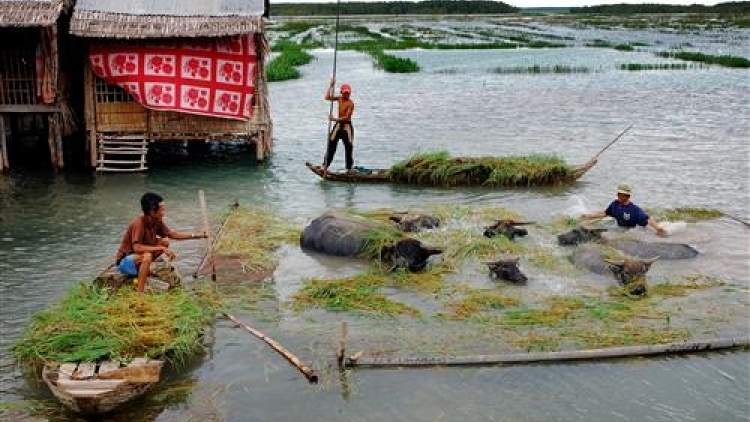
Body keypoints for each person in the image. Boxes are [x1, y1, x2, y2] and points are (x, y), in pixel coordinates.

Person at [115, 192, 207, 293]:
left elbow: (172, 234)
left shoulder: (157, 221)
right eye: (161, 209)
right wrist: (162, 249)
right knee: (148, 256)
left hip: (138, 256)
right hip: (125, 262)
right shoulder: (139, 223)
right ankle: (140, 294)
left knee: (164, 241)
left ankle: (143, 270)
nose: (164, 212)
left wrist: (198, 235)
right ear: (152, 211)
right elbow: (137, 248)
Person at [582, 183, 667, 237]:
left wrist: (657, 228)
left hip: (631, 231)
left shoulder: (634, 210)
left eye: (620, 194)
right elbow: (605, 213)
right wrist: (589, 216)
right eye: (618, 193)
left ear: (627, 196)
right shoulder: (615, 204)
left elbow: (648, 219)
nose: (617, 195)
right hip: (618, 228)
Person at [323, 77, 355, 173]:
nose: (346, 94)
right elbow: (327, 97)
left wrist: (334, 119)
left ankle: (349, 169)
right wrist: (331, 86)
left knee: (349, 148)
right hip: (337, 126)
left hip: (346, 126)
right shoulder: (339, 99)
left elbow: (346, 117)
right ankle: (325, 166)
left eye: (348, 93)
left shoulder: (351, 103)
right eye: (345, 93)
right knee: (331, 145)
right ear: (341, 92)